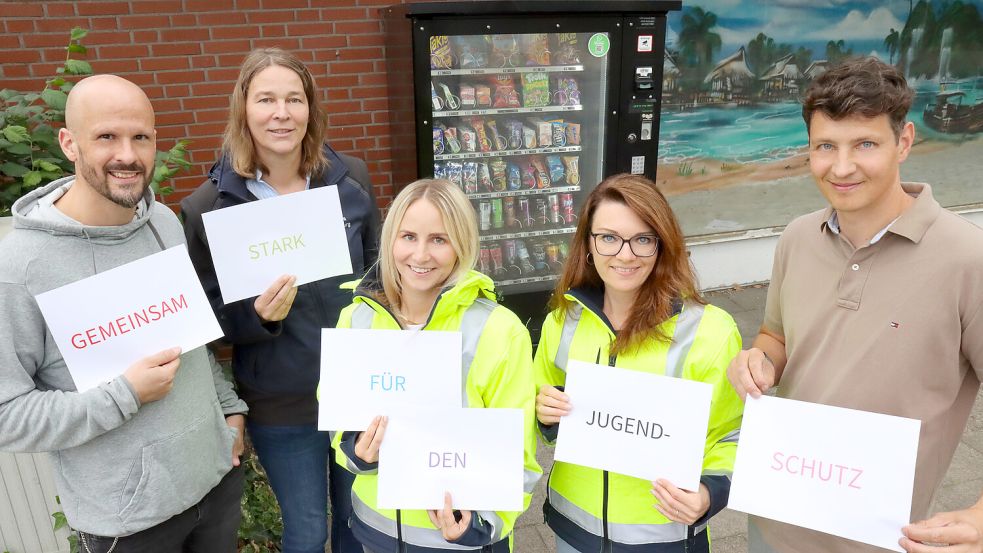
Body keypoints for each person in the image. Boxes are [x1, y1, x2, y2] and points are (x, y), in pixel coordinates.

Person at [726, 57, 983, 553]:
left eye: (865, 144)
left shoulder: (967, 258)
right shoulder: (798, 237)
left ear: (904, 141)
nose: (841, 168)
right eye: (825, 146)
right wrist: (759, 360)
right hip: (773, 520)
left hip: (880, 541)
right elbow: (775, 336)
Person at [0, 74, 247, 552]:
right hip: (128, 522)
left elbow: (187, 339)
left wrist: (229, 412)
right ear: (69, 144)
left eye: (141, 137)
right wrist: (125, 395)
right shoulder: (19, 269)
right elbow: (7, 415)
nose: (128, 155)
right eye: (107, 136)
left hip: (214, 484)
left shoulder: (162, 223)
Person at [181, 48, 379, 553]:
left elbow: (381, 277)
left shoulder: (349, 178)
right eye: (266, 99)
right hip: (282, 404)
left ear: (310, 108)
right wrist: (257, 317)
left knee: (361, 522)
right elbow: (208, 320)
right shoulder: (210, 207)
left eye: (294, 99)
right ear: (243, 109)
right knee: (308, 532)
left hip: (361, 388)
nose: (281, 112)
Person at [533, 174, 743, 553]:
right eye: (609, 238)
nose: (625, 255)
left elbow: (734, 435)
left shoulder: (711, 331)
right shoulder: (563, 320)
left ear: (663, 246)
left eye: (642, 239)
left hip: (662, 538)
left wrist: (709, 493)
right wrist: (544, 413)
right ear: (588, 245)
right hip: (574, 531)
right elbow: (539, 401)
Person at [331, 178, 542, 553]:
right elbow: (338, 415)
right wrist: (357, 450)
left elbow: (517, 455)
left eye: (439, 240)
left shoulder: (499, 330)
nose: (421, 255)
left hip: (456, 540)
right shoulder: (356, 318)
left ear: (461, 245)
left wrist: (479, 526)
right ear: (390, 239)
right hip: (375, 529)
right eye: (408, 236)